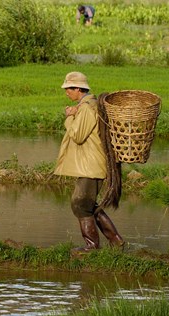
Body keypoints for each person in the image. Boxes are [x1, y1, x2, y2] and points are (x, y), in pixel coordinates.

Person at [54, 72, 124, 256]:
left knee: (79, 204)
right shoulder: (89, 105)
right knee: (87, 204)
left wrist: (69, 117)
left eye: (68, 88)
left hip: (91, 165)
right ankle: (116, 241)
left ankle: (92, 246)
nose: (66, 92)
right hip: (91, 164)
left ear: (78, 89)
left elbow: (77, 135)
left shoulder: (86, 108)